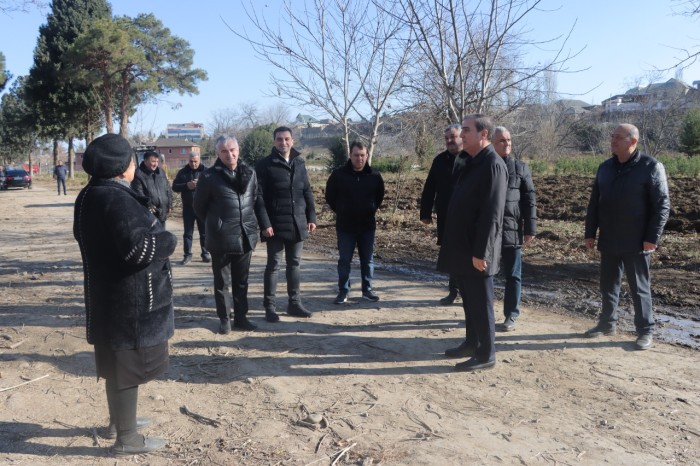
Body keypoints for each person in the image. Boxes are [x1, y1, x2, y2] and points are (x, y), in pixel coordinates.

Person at [73, 133, 177, 456]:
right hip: (129, 302)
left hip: (107, 297)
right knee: (128, 367)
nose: (135, 165)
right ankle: (127, 438)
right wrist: (168, 241)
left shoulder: (89, 194)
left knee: (115, 364)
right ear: (121, 166)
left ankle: (118, 422)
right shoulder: (115, 198)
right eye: (132, 159)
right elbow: (139, 249)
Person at [584, 123, 670, 350]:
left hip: (638, 240)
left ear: (633, 141)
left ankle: (645, 330)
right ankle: (606, 323)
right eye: (612, 136)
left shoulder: (651, 167)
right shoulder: (605, 168)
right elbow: (595, 203)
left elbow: (662, 205)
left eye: (618, 137)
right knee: (608, 285)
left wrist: (652, 237)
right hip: (610, 237)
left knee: (639, 287)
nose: (613, 140)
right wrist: (590, 233)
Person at [437, 114, 508, 372]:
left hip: (477, 251)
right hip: (463, 248)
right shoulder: (470, 162)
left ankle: (486, 353)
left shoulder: (492, 165)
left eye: (466, 130)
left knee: (481, 302)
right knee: (469, 300)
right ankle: (471, 343)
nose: (461, 134)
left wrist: (481, 252)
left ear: (484, 135)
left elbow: (492, 215)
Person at [194, 135, 264, 334]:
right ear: (217, 153)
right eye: (224, 151)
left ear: (238, 149)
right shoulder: (208, 177)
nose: (229, 154)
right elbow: (199, 207)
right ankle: (225, 319)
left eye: (232, 149)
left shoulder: (250, 173)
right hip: (221, 237)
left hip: (245, 235)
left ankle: (241, 318)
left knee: (242, 281)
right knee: (222, 282)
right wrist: (217, 223)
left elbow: (255, 198)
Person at [255, 126, 317, 321]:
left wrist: (311, 217)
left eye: (287, 139)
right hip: (274, 225)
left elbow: (306, 190)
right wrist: (265, 224)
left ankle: (294, 304)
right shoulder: (264, 165)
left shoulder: (299, 162)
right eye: (279, 139)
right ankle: (270, 307)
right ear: (274, 142)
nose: (283, 142)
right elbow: (259, 197)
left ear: (293, 141)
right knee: (273, 265)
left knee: (295, 264)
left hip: (298, 222)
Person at [325, 141, 385, 304]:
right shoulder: (338, 175)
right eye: (356, 155)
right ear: (350, 156)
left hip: (367, 226)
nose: (359, 158)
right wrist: (342, 210)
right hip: (345, 227)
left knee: (368, 260)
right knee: (344, 260)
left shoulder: (374, 176)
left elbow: (379, 197)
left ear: (367, 156)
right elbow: (330, 196)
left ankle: (367, 289)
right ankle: (343, 290)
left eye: (362, 155)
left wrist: (370, 208)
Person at [492, 127, 537, 332]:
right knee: (485, 275)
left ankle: (511, 314)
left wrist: (530, 228)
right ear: (492, 142)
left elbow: (530, 200)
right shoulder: (485, 166)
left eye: (509, 140)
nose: (507, 143)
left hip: (512, 230)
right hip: (489, 232)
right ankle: (483, 314)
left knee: (513, 275)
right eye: (502, 140)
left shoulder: (520, 168)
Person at [420, 124, 463, 305]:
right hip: (446, 217)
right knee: (452, 255)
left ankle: (469, 291)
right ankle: (454, 291)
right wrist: (425, 213)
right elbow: (430, 187)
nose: (449, 141)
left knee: (468, 255)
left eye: (452, 137)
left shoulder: (473, 158)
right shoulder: (439, 160)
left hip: (468, 217)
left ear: (462, 136)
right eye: (446, 138)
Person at [172, 151, 210, 265]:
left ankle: (205, 253)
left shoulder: (206, 171)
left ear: (200, 160)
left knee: (204, 233)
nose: (193, 164)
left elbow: (214, 186)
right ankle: (187, 255)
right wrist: (186, 186)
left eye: (195, 161)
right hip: (188, 208)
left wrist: (202, 185)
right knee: (188, 233)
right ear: (188, 161)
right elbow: (174, 187)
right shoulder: (182, 172)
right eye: (191, 161)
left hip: (203, 207)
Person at [131, 151, 172, 227]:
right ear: (145, 161)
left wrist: (169, 205)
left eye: (157, 161)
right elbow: (139, 193)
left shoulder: (161, 172)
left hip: (162, 212)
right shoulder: (138, 174)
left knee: (162, 236)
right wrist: (149, 205)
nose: (155, 164)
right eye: (153, 161)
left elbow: (168, 189)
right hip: (148, 214)